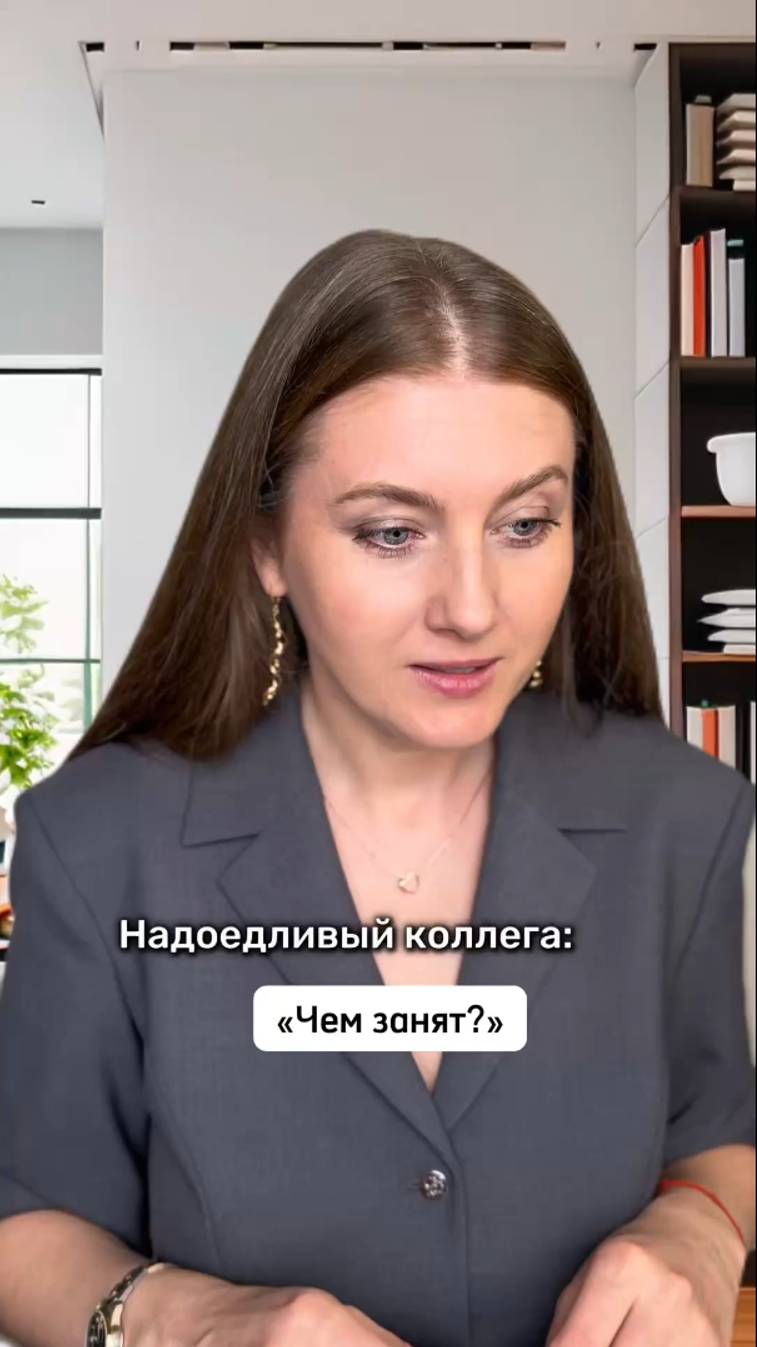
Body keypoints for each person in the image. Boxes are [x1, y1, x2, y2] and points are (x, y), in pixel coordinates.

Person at [0, 228, 753, 1347]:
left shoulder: (679, 817)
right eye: (392, 532)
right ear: (267, 545)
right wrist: (186, 1320)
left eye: (524, 524)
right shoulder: (96, 841)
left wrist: (697, 1230)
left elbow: (714, 1132)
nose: (471, 607)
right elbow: (23, 1219)